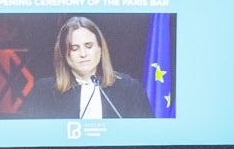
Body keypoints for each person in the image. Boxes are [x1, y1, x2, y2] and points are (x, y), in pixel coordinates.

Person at [18, 16, 155, 120]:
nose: (83, 54)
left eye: (89, 46)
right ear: (65, 54)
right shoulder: (44, 92)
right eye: (75, 48)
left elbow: (148, 137)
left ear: (100, 49)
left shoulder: (130, 89)